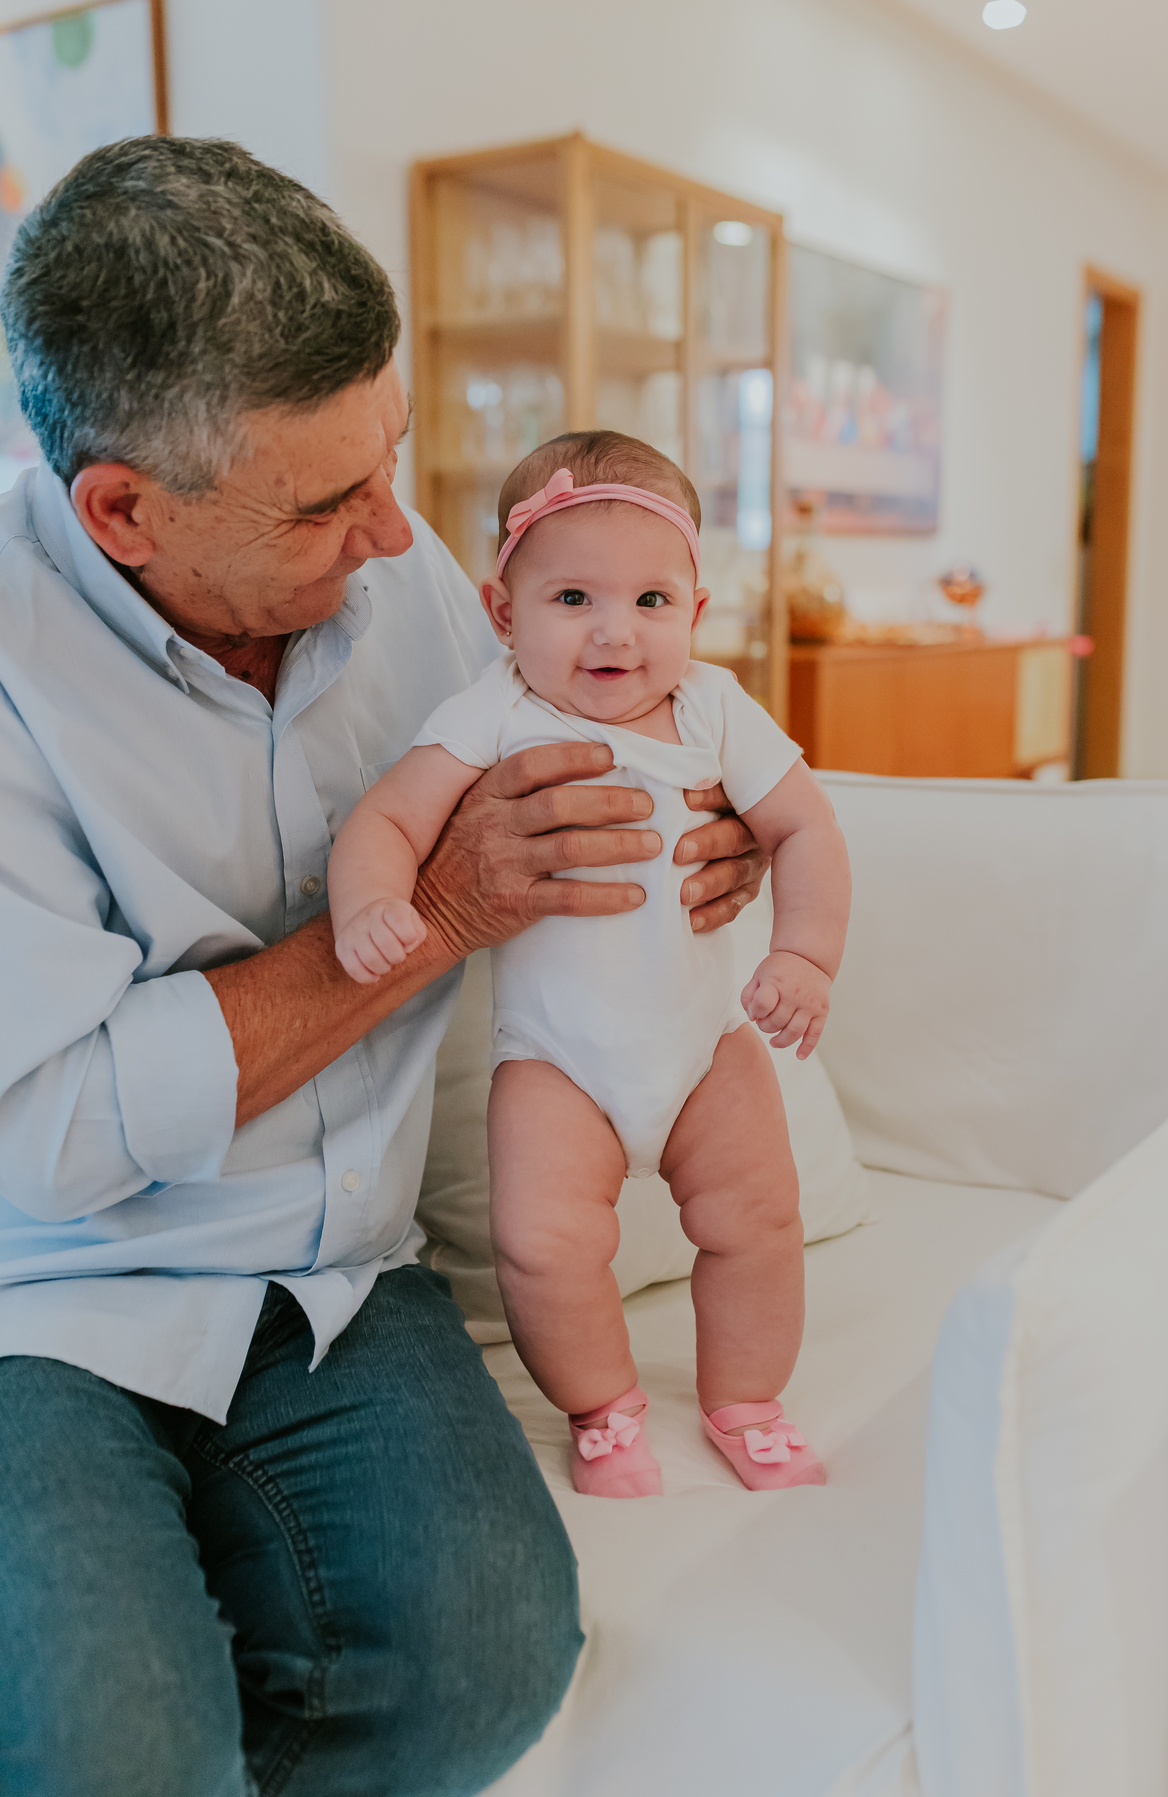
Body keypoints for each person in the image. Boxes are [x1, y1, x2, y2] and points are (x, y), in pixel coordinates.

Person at [0, 139, 767, 1797]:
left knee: (482, 1664)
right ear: (121, 510)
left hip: (345, 1268)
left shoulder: (404, 579)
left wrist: (726, 829)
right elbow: (45, 1137)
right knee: (109, 1745)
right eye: (327, 498)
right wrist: (438, 912)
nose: (401, 528)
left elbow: (626, 694)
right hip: (41, 1295)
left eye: (394, 455)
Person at [328, 432, 852, 1499]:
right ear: (503, 612)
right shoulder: (497, 711)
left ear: (695, 615)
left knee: (759, 1222)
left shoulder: (714, 711)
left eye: (653, 601)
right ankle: (604, 1408)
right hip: (556, 1062)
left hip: (709, 1045)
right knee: (542, 1245)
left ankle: (745, 1399)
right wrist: (373, 902)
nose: (616, 632)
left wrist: (805, 953)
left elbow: (806, 830)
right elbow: (388, 817)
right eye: (572, 598)